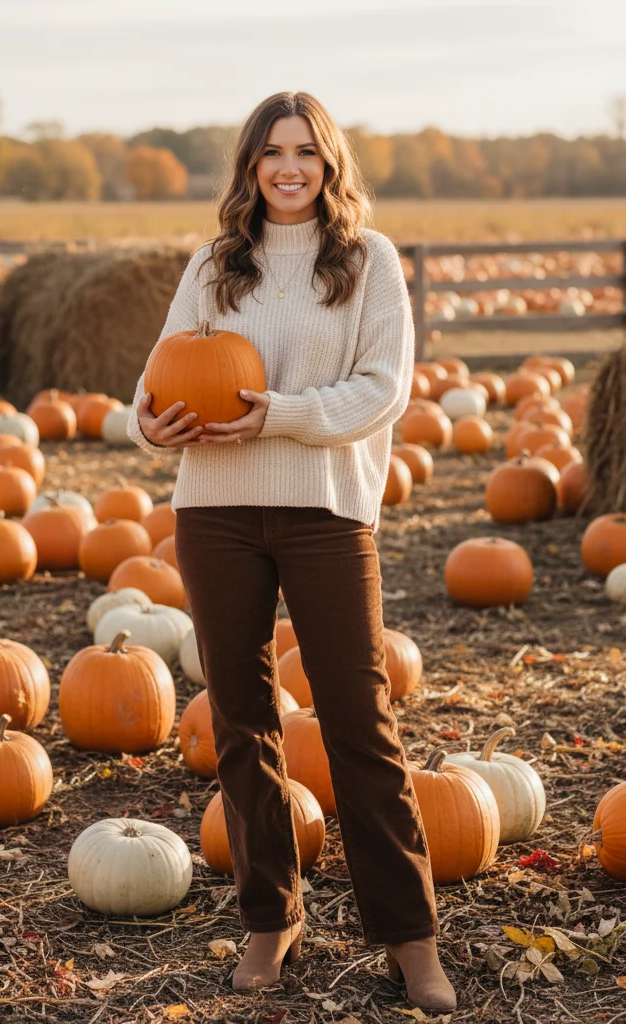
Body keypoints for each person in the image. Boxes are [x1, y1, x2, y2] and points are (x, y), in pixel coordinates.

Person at [125, 90, 456, 1013]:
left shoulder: (366, 262)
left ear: (330, 162)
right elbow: (151, 385)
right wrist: (154, 425)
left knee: (358, 719)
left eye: (306, 150)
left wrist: (286, 417)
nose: (289, 166)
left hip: (324, 510)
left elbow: (384, 389)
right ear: (250, 166)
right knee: (241, 717)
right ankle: (271, 917)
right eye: (272, 151)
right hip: (217, 513)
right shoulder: (213, 263)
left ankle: (409, 935)